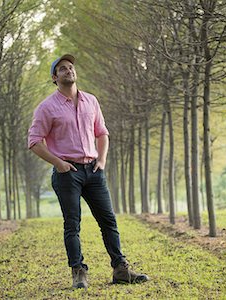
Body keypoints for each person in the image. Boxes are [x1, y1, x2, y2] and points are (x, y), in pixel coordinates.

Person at [27, 54, 149, 289]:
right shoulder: (46, 107)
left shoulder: (91, 101)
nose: (68, 71)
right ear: (55, 77)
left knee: (108, 221)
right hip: (67, 173)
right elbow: (34, 141)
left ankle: (121, 269)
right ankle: (78, 272)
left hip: (94, 170)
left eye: (71, 67)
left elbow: (102, 133)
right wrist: (58, 163)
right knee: (72, 224)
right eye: (62, 69)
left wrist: (101, 160)